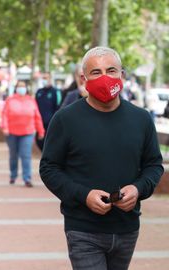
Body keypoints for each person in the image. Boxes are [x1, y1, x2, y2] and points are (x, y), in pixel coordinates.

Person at [39, 47, 163, 270]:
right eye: (96, 72)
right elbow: (49, 168)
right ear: (83, 79)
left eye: (111, 70)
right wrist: (84, 195)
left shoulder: (141, 119)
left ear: (122, 74)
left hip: (127, 228)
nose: (105, 77)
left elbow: (153, 165)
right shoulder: (65, 119)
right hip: (83, 229)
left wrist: (138, 189)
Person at [0, 80, 44, 187]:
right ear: (16, 88)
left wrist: (41, 130)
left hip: (27, 132)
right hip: (12, 132)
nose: (21, 88)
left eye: (23, 86)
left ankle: (27, 178)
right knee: (13, 155)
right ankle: (13, 175)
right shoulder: (10, 100)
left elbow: (37, 116)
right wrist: (5, 127)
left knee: (26, 155)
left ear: (26, 88)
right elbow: (4, 115)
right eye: (19, 86)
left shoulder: (31, 100)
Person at [35, 73, 61, 151]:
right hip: (40, 124)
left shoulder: (56, 92)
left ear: (50, 79)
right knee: (40, 142)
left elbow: (59, 107)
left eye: (46, 78)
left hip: (51, 124)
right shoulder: (39, 92)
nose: (44, 80)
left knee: (51, 144)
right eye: (43, 78)